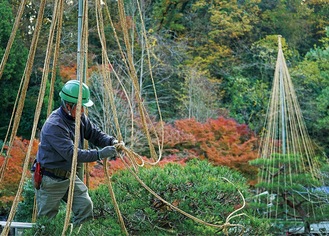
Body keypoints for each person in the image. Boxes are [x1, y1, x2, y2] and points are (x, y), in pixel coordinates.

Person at [32, 79, 122, 225]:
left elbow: (95, 134)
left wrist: (111, 141)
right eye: (80, 108)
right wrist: (99, 154)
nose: (83, 111)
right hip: (50, 178)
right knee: (46, 222)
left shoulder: (79, 117)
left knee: (85, 207)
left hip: (68, 176)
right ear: (68, 106)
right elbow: (72, 154)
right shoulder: (54, 125)